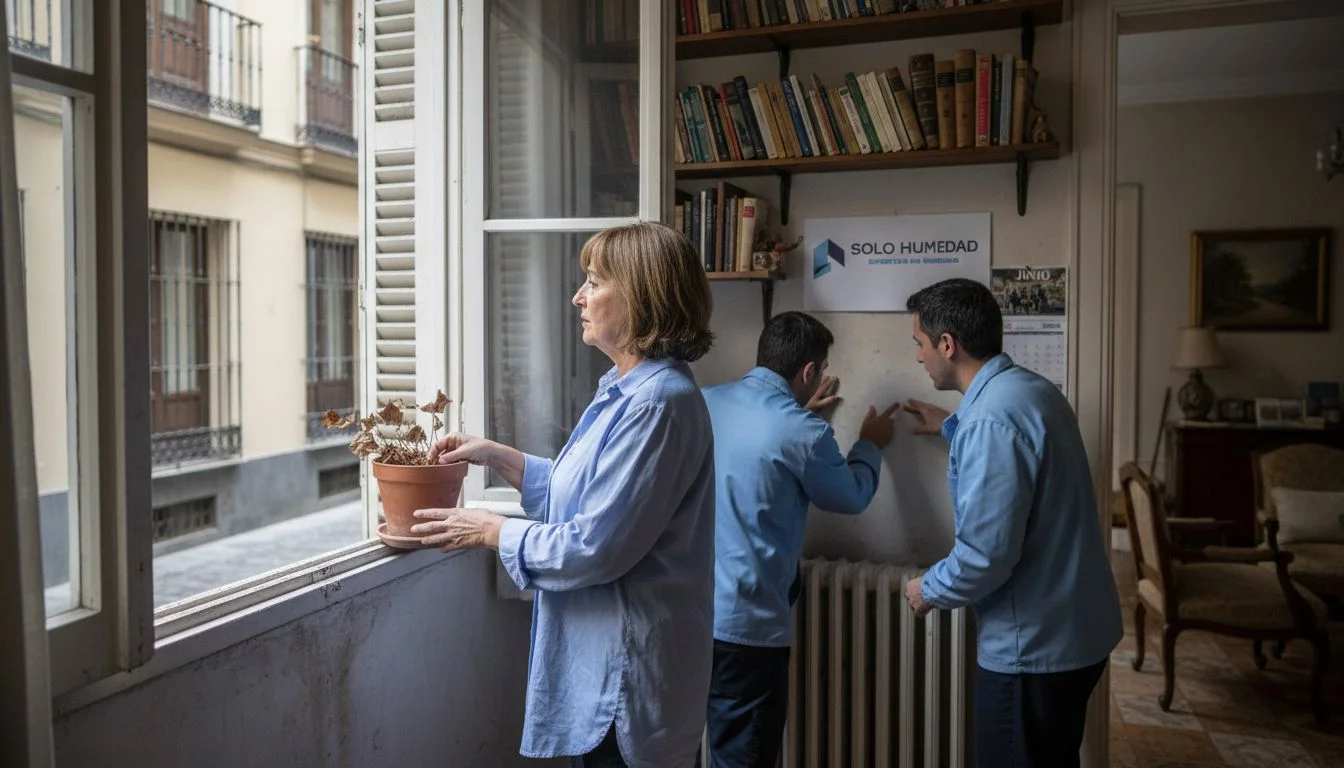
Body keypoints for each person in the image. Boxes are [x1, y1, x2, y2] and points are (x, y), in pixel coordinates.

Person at [410, 222, 717, 768]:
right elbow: (589, 493)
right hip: (605, 676)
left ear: (641, 296)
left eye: (594, 282)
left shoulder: (656, 404)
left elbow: (595, 545)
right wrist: (499, 456)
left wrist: (492, 530)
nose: (578, 297)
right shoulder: (628, 389)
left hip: (625, 688)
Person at [899, 278, 1122, 768]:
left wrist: (927, 590)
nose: (918, 356)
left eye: (919, 343)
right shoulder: (1031, 391)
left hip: (1033, 649)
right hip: (1076, 632)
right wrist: (953, 425)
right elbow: (1023, 466)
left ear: (946, 344)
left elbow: (986, 556)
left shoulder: (990, 422)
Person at [701, 311, 899, 768]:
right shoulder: (803, 432)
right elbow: (851, 497)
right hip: (748, 628)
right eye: (821, 369)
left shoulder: (706, 402)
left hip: (690, 616)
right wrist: (870, 444)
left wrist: (797, 416)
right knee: (744, 756)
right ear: (809, 371)